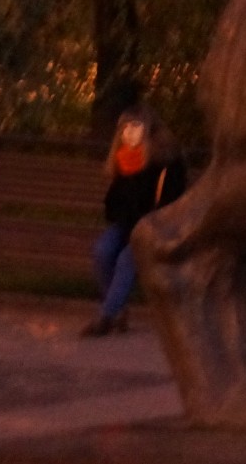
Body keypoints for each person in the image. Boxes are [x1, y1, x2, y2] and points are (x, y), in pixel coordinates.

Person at [82, 105, 187, 337]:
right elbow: (113, 205)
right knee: (102, 251)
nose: (128, 132)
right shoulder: (124, 159)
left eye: (135, 126)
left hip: (156, 229)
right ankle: (118, 310)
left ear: (148, 129)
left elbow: (171, 206)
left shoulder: (166, 162)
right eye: (124, 127)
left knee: (126, 260)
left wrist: (143, 223)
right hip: (127, 226)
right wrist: (121, 212)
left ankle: (106, 317)